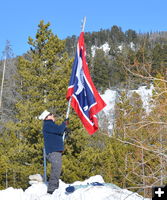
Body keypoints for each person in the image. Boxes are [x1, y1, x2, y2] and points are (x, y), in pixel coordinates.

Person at [39, 110, 68, 194]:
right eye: (51, 115)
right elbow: (59, 130)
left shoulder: (50, 125)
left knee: (57, 169)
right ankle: (52, 189)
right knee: (56, 169)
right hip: (53, 151)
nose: (53, 116)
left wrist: (65, 131)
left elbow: (58, 133)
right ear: (47, 117)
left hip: (55, 150)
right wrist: (64, 124)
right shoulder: (48, 124)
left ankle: (55, 187)